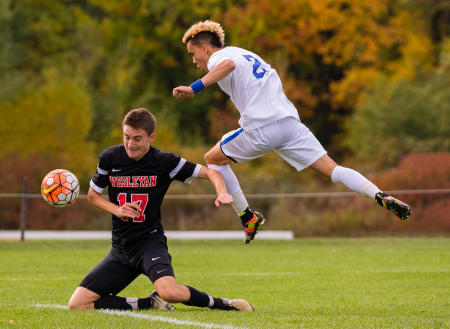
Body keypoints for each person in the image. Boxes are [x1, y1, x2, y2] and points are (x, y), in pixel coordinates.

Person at [172, 20, 411, 222]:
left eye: (193, 55)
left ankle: (247, 217)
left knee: (212, 159)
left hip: (261, 127)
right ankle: (379, 195)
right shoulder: (246, 53)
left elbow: (228, 66)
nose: (194, 61)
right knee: (333, 170)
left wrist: (195, 88)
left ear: (204, 48)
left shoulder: (220, 57)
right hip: (290, 125)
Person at [68, 108, 254, 312]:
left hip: (150, 244)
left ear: (152, 137)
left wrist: (222, 192)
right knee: (77, 304)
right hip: (121, 249)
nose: (130, 144)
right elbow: (93, 195)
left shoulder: (164, 162)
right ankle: (149, 302)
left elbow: (211, 172)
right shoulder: (110, 158)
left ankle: (224, 304)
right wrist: (117, 210)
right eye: (127, 137)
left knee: (170, 293)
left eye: (137, 138)